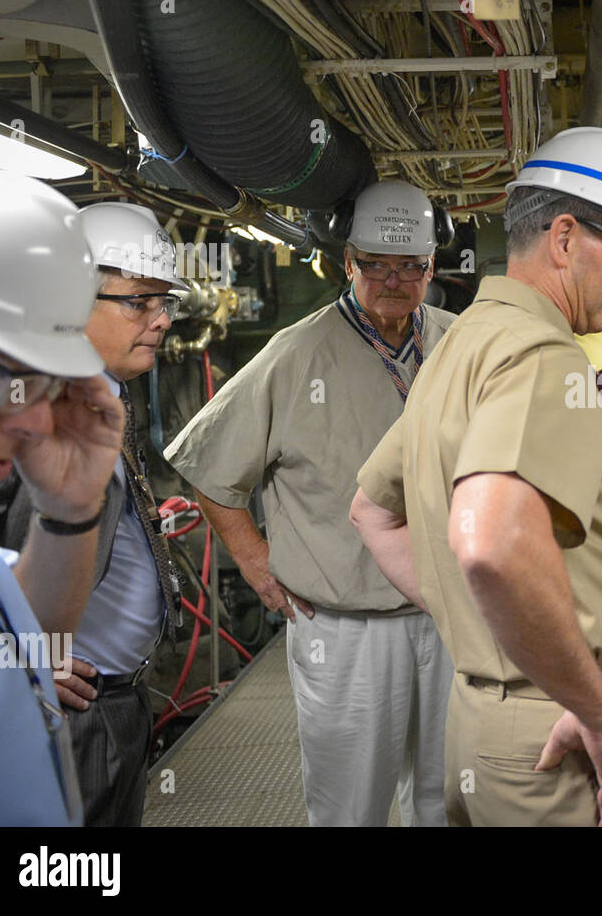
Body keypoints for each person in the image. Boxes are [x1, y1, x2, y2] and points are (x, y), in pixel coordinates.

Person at [351, 127, 602, 827]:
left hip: (491, 720)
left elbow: (371, 511)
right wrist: (593, 706)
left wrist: (487, 628)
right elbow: (491, 542)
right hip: (561, 731)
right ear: (565, 239)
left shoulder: (462, 347)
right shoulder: (543, 356)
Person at [164, 180, 456, 826]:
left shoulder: (461, 345)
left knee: (451, 799)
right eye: (376, 264)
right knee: (350, 806)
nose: (393, 279)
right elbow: (212, 470)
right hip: (348, 627)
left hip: (450, 615)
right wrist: (257, 563)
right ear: (347, 260)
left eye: (410, 266)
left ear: (432, 266)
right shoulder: (295, 354)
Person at [0, 202, 188, 826]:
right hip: (64, 711)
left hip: (117, 703)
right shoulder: (21, 414)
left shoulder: (99, 400)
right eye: (139, 302)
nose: (162, 320)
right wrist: (11, 657)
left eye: (163, 301)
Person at [0, 165, 125, 824]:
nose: (33, 421)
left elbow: (31, 641)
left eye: (40, 384)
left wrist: (67, 514)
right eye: (5, 375)